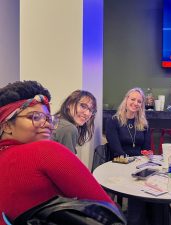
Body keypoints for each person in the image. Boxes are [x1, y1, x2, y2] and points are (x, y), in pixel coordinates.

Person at [0, 81, 114, 225]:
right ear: (7, 125)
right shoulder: (46, 150)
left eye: (47, 118)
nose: (47, 124)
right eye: (35, 117)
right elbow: (108, 212)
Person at [105, 87, 171, 225]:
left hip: (139, 164)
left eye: (139, 101)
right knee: (138, 185)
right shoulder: (113, 121)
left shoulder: (143, 123)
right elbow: (116, 149)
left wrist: (148, 156)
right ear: (126, 100)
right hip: (120, 163)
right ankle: (137, 220)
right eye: (133, 99)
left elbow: (146, 148)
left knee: (158, 182)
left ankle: (156, 219)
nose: (135, 103)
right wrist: (134, 163)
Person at [52, 90, 97, 154]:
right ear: (69, 104)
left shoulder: (57, 120)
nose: (87, 113)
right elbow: (69, 163)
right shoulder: (68, 128)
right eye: (83, 106)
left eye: (91, 110)